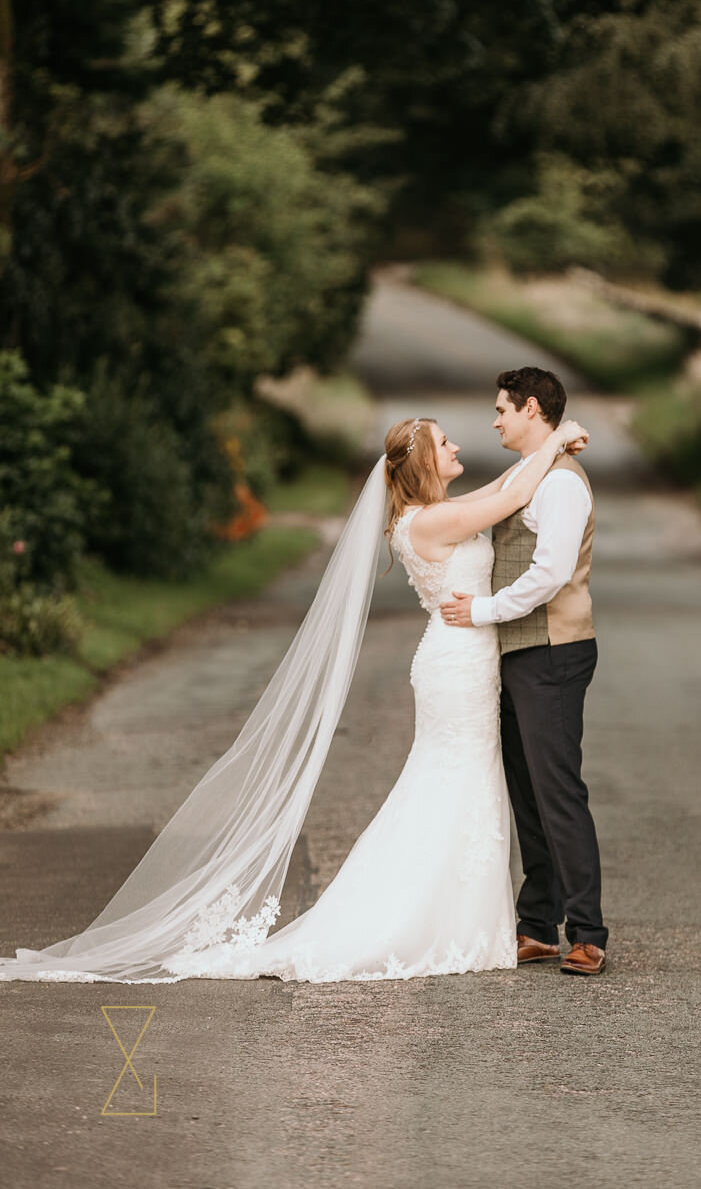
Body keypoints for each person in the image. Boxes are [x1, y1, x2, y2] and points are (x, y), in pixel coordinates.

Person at [0, 412, 586, 985]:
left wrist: (548, 448)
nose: (457, 445)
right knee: (452, 779)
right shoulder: (431, 524)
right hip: (456, 665)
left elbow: (503, 487)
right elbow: (510, 499)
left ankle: (466, 917)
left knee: (467, 780)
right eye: (445, 441)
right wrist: (556, 438)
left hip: (466, 660)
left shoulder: (433, 513)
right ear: (426, 463)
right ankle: (425, 919)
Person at [441, 367, 608, 977]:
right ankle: (537, 926)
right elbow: (491, 504)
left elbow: (549, 575)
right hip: (519, 654)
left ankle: (587, 933)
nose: (495, 420)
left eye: (502, 410)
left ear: (531, 408)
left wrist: (481, 611)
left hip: (553, 652)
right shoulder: (529, 472)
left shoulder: (561, 485)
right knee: (529, 795)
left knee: (559, 792)